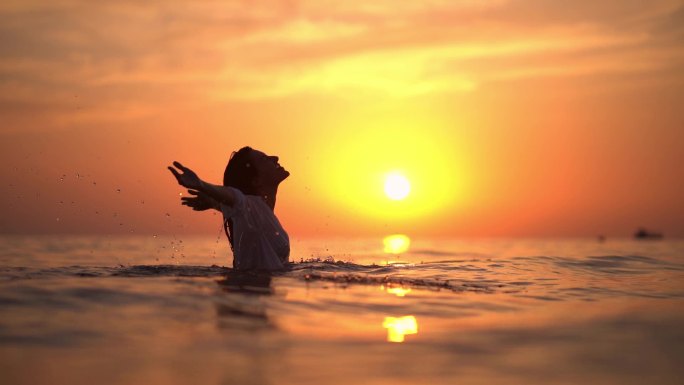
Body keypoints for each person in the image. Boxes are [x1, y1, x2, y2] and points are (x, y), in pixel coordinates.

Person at [168, 147, 290, 271]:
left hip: (250, 287)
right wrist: (201, 185)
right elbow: (235, 197)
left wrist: (215, 203)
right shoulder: (252, 206)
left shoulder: (255, 213)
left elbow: (237, 206)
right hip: (249, 289)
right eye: (264, 159)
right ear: (256, 181)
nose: (275, 158)